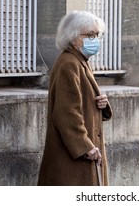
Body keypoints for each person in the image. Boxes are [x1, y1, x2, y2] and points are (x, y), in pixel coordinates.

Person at [37, 10, 113, 186]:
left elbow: (82, 102)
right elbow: (66, 113)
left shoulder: (80, 61)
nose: (95, 39)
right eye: (90, 35)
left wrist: (102, 104)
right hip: (73, 159)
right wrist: (85, 147)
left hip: (83, 154)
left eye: (97, 34)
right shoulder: (69, 64)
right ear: (73, 38)